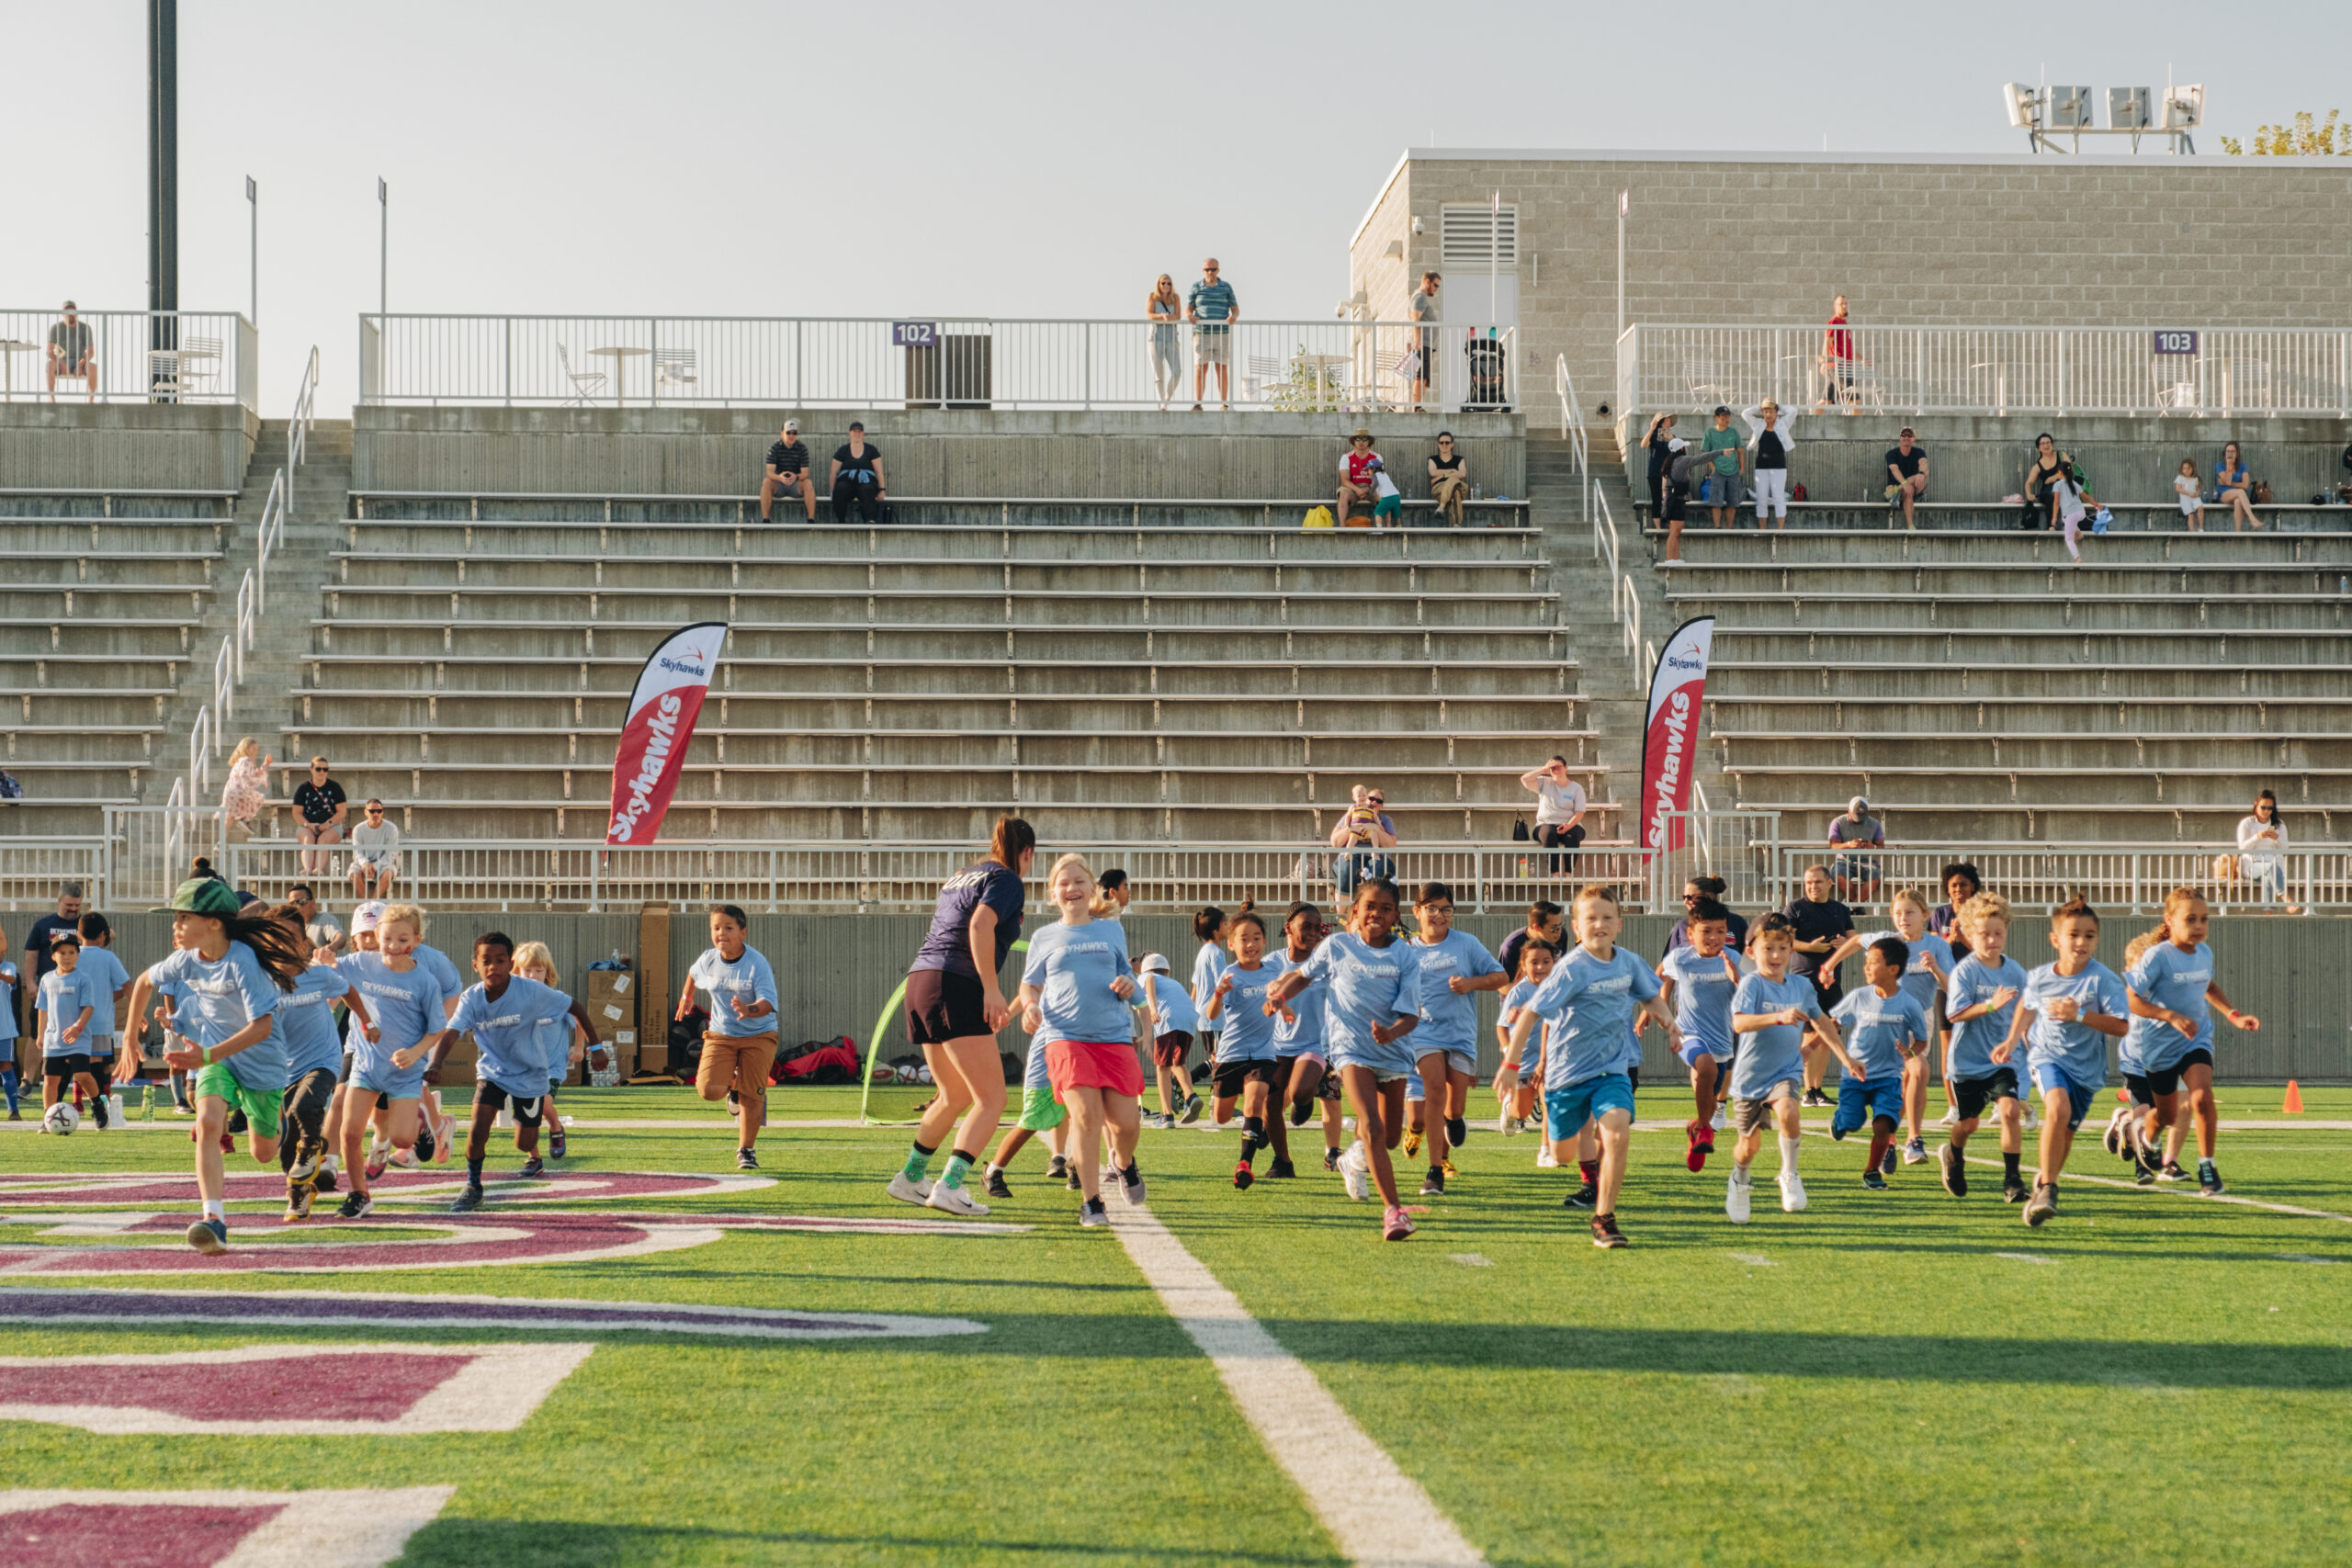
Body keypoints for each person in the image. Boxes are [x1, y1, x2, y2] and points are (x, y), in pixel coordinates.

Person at [119, 877, 310, 1252]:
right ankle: (214, 1218)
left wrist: (206, 1054)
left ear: (214, 923)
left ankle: (280, 1122)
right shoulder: (186, 958)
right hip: (215, 1060)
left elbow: (263, 1027)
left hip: (261, 1062)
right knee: (207, 1122)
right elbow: (143, 982)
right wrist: (129, 1038)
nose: (176, 925)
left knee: (264, 1152)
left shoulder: (243, 962)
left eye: (184, 917)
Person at [1508, 885, 1675, 1248]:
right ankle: (1561, 1140)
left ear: (1620, 924)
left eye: (1607, 917)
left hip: (1612, 1070)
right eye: (1591, 918)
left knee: (1616, 1131)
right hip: (1566, 1076)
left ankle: (1604, 1217)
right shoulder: (1570, 969)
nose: (1599, 924)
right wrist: (1510, 1063)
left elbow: (1651, 998)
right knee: (1563, 1153)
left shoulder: (1629, 962)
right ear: (1576, 927)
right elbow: (1531, 1013)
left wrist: (1671, 1026)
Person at [1267, 876, 1424, 1241]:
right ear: (1355, 911)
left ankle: (1352, 1160)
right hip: (1350, 1050)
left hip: (1394, 1050)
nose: (1377, 914)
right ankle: (1394, 1213)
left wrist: (1392, 1032)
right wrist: (1279, 998)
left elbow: (1412, 1016)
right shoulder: (1337, 946)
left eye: (1386, 909)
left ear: (1396, 915)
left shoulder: (1404, 955)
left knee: (1386, 1138)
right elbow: (1303, 977)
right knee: (1370, 1124)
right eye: (1370, 907)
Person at [893, 817, 1035, 1211]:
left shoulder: (962, 876)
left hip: (920, 980)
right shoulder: (1007, 879)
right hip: (956, 982)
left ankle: (909, 1177)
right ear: (1028, 853)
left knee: (953, 1093)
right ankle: (950, 1186)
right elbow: (979, 925)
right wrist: (990, 988)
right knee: (991, 1098)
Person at [427, 931, 605, 1213]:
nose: (493, 967)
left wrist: (596, 1048)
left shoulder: (531, 991)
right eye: (486, 961)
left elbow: (575, 1007)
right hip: (493, 1072)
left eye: (500, 961)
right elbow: (451, 1033)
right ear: (475, 965)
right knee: (478, 1128)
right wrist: (435, 1064)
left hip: (531, 1075)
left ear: (510, 965)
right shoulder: (472, 998)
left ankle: (538, 1144)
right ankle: (473, 1187)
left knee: (525, 1142)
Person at [1016, 852, 1146, 1228]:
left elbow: (1126, 975)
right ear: (1052, 893)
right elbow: (1029, 984)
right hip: (1064, 1037)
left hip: (1113, 1037)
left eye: (1078, 881)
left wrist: (1128, 985)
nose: (1071, 888)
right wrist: (1029, 1006)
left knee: (1127, 1123)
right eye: (1063, 882)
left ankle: (1122, 1163)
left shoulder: (1111, 931)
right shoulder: (1044, 937)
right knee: (1085, 1118)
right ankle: (1091, 1202)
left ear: (1092, 888)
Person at [2001, 898, 2129, 1226]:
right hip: (2047, 1056)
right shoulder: (2040, 977)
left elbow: (2122, 1025)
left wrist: (2081, 1015)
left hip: (2087, 1071)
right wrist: (2012, 1040)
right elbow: (2027, 1007)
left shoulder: (2103, 980)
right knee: (2058, 1110)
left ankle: (2044, 1180)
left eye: (2089, 935)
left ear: (2097, 940)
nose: (2081, 942)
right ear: (2055, 939)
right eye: (2073, 934)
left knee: (2065, 1135)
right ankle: (2048, 1187)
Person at [2127, 888, 2261, 1196]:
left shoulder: (2204, 953)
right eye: (2190, 919)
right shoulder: (2157, 957)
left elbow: (2208, 984)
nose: (2199, 925)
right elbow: (2133, 1000)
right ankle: (2145, 1136)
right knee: (2166, 1116)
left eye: (2204, 919)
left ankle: (2207, 1166)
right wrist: (2170, 1016)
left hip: (2195, 1039)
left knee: (2201, 1098)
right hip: (2159, 1047)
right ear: (2169, 920)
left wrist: (2233, 1015)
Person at [1823, 888, 1950, 1168]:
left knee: (1915, 1073)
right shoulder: (1887, 941)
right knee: (1911, 1074)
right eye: (1897, 913)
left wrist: (1935, 969)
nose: (1903, 918)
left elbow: (1951, 987)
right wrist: (1829, 965)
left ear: (1925, 915)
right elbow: (1856, 940)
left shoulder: (1937, 946)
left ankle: (1908, 1139)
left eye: (1910, 912)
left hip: (1919, 1017)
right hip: (1885, 1018)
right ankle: (1901, 1139)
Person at [1724, 912, 1829, 1223]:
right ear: (1751, 951)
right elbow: (1740, 1023)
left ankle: (1789, 1173)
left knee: (1789, 1110)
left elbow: (1820, 1021)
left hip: (1786, 1070)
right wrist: (1778, 1017)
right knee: (1749, 1147)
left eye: (1783, 948)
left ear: (1791, 951)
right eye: (1768, 948)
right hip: (1750, 1077)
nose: (1776, 955)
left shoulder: (1801, 985)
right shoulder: (1752, 984)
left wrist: (1846, 1057)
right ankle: (1740, 1179)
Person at [267, 909, 370, 1220]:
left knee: (305, 1107)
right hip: (282, 1069)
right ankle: (298, 1196)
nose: (282, 946)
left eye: (290, 939)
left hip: (322, 1060)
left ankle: (314, 1145)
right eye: (275, 939)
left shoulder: (319, 975)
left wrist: (366, 1022)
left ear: (303, 945)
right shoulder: (261, 981)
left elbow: (348, 991)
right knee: (286, 1148)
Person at [1406, 882, 1508, 1195]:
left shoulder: (1467, 943)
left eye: (1446, 909)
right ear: (1417, 912)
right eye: (1432, 909)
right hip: (1423, 1033)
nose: (1439, 916)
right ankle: (1435, 1170)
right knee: (1434, 1091)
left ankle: (1454, 1119)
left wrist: (1471, 983)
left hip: (1460, 1035)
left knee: (1455, 1106)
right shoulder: (1405, 948)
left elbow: (1502, 977)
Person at [1938, 893, 2030, 1205]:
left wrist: (2029, 1037)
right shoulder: (1965, 971)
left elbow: (2025, 1010)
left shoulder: (2015, 971)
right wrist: (1990, 1004)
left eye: (1998, 933)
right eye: (1984, 934)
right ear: (1967, 933)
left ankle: (2013, 1180)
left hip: (2002, 1060)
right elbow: (1955, 1014)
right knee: (1968, 1125)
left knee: (2010, 1111)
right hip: (1967, 1062)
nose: (1992, 940)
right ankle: (1954, 1155)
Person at [675, 906, 780, 1175]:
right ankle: (734, 1085)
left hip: (759, 1035)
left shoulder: (757, 963)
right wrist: (687, 998)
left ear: (743, 932)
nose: (721, 933)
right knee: (708, 1090)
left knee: (752, 1094)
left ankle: (746, 1149)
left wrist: (749, 1010)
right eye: (716, 928)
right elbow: (693, 974)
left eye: (729, 928)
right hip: (722, 1034)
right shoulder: (709, 959)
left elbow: (768, 1003)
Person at [1827, 939, 1931, 1190]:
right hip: (1855, 1076)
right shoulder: (1859, 997)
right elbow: (1833, 1023)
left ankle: (1872, 1171)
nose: (1866, 968)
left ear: (1893, 969)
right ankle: (1840, 1121)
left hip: (1888, 1077)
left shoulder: (1909, 1004)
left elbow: (1920, 1040)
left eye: (1872, 963)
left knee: (1883, 1124)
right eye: (1866, 962)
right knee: (1852, 1122)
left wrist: (1910, 1053)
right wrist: (1820, 1038)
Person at [1657, 897, 1743, 1172]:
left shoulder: (1736, 959)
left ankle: (1697, 1128)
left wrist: (1737, 979)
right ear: (1691, 934)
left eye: (1720, 931)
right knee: (1705, 1067)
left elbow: (1751, 998)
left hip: (1721, 1040)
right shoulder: (1680, 958)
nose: (1714, 937)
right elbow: (1659, 980)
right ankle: (1705, 1129)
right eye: (1707, 931)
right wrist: (1660, 1014)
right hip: (1688, 1033)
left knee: (1710, 1085)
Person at [1201, 909, 1285, 1188]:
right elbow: (1212, 1014)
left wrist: (1285, 1009)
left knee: (1255, 1101)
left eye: (1257, 938)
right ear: (1232, 944)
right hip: (1231, 1055)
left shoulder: (1274, 972)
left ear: (1264, 942)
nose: (1251, 944)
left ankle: (1244, 1165)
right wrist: (1218, 993)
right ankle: (1255, 1128)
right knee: (1222, 1117)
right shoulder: (1229, 974)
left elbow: (1280, 997)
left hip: (1262, 1053)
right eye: (1244, 939)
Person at [1268, 902, 1343, 1174]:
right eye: (1306, 927)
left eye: (1317, 927)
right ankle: (1282, 1162)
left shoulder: (1326, 963)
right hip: (1277, 1044)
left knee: (1307, 1092)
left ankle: (1307, 1104)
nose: (1313, 933)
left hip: (1316, 1045)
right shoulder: (1274, 961)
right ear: (1289, 928)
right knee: (1270, 1105)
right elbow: (1262, 985)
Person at [1781, 865, 1855, 1105]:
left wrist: (1845, 942)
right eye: (1808, 882)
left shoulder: (1840, 910)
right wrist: (1810, 947)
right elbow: (1787, 939)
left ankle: (1817, 1088)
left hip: (1831, 982)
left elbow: (1854, 939)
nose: (1813, 886)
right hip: (1804, 981)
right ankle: (1807, 1091)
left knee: (1828, 1034)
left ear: (1830, 883)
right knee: (1808, 1034)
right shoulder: (1795, 908)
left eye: (1818, 882)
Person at [36, 931, 105, 1128]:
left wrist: (77, 1027)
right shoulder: (47, 979)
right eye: (62, 953)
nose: (66, 957)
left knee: (82, 1075)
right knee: (50, 1080)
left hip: (78, 1038)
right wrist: (41, 1035)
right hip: (53, 1039)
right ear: (53, 956)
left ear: (77, 955)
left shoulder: (83, 979)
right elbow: (43, 1008)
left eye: (71, 952)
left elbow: (88, 1007)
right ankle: (48, 1119)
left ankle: (97, 1104)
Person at [1492, 936, 1555, 1137]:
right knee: (1522, 1111)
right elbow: (1502, 1027)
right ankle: (1510, 1109)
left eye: (1546, 961)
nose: (1540, 967)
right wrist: (1508, 1052)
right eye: (1534, 962)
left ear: (1554, 962)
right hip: (1525, 1061)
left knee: (1552, 1105)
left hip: (1552, 1059)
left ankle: (1550, 1150)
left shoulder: (1560, 987)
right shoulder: (1519, 992)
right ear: (1524, 965)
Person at [70, 913, 130, 1121]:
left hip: (77, 1021)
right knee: (100, 1063)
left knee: (80, 1062)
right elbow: (125, 985)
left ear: (78, 934)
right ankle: (102, 1104)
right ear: (104, 934)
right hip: (102, 1021)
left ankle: (79, 1102)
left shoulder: (73, 956)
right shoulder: (108, 957)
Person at [1135, 953, 1202, 1132]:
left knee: (1162, 1067)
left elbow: (1149, 981)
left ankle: (1167, 1115)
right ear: (1167, 971)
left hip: (1167, 1019)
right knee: (1177, 1063)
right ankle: (1190, 1096)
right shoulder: (1174, 982)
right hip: (1189, 1019)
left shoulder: (1146, 976)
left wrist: (1154, 1008)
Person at [2235, 789, 2301, 913]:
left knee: (2269, 874)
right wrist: (2257, 837)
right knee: (2270, 868)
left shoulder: (2279, 824)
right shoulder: (2247, 823)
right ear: (2256, 804)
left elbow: (2285, 848)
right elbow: (2242, 847)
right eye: (2263, 807)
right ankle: (2286, 899)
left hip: (2273, 864)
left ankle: (2268, 913)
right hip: (2252, 865)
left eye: (2270, 808)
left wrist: (2277, 838)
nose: (2266, 811)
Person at [1519, 756, 1588, 874]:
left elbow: (1580, 812)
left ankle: (1569, 873)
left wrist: (1568, 826)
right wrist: (1544, 769)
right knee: (1549, 833)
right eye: (1552, 767)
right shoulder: (1544, 782)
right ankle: (1555, 874)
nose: (1555, 769)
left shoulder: (1576, 788)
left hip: (1570, 825)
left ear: (1566, 768)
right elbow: (1525, 779)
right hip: (1545, 824)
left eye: (1558, 766)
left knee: (1574, 834)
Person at [1185, 258, 1238, 410]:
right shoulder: (1196, 287)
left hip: (1222, 333)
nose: (1210, 272)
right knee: (1201, 367)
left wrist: (1233, 316)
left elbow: (1235, 308)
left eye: (1213, 269)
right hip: (1201, 333)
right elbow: (1189, 308)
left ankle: (1224, 403)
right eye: (1207, 269)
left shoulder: (1226, 287)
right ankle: (1199, 402)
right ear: (1203, 271)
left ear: (1218, 270)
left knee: (1222, 368)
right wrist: (1190, 316)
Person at [1329, 784, 1397, 897]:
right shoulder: (1352, 814)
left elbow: (1391, 845)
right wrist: (1351, 828)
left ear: (1381, 806)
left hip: (1376, 855)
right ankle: (1341, 914)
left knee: (1377, 870)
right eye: (1371, 799)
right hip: (1352, 853)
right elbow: (1335, 842)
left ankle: (1371, 907)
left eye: (1379, 801)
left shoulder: (1385, 820)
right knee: (1347, 869)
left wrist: (1376, 828)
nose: (1374, 802)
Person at [1740, 400, 1797, 530]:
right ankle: (1762, 529)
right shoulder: (1758, 424)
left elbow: (1793, 411)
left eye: (1771, 411)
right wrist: (1760, 405)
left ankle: (1781, 529)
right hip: (1761, 467)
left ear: (1776, 413)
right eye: (1765, 412)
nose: (1768, 414)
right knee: (1761, 499)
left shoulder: (1783, 424)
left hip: (1779, 467)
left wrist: (1777, 405)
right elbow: (1745, 413)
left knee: (1779, 498)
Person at [293, 758, 348, 878]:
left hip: (332, 826)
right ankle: (307, 870)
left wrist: (328, 823)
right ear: (312, 770)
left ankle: (318, 870)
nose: (322, 772)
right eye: (318, 769)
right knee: (308, 839)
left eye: (325, 769)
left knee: (323, 840)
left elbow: (342, 812)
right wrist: (309, 825)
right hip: (307, 825)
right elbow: (296, 813)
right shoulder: (303, 788)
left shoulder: (335, 787)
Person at [1668, 875, 1749, 953]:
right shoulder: (1682, 926)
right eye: (1684, 897)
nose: (1685, 902)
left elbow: (1748, 957)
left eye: (1689, 897)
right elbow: (1669, 962)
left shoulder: (1737, 922)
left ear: (1708, 896)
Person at [1826, 795, 1884, 905]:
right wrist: (1849, 844)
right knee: (1838, 873)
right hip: (1844, 861)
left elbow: (1881, 846)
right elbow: (1833, 845)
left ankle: (1853, 906)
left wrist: (1873, 847)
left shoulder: (1874, 823)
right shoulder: (1838, 822)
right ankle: (1857, 906)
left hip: (1868, 862)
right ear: (1848, 810)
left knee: (1877, 875)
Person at [829, 423, 887, 525]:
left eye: (859, 431)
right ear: (849, 433)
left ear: (863, 433)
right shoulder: (842, 451)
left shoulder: (871, 450)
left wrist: (882, 490)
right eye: (854, 431)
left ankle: (870, 519)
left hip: (866, 482)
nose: (857, 433)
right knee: (840, 489)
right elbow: (833, 472)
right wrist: (832, 491)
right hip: (847, 482)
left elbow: (879, 471)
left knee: (867, 488)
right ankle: (841, 520)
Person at [760, 420, 815, 524]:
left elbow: (805, 474)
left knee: (808, 483)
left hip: (795, 485)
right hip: (779, 484)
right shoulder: (774, 448)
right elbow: (769, 473)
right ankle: (765, 519)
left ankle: (811, 520)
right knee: (766, 482)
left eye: (794, 433)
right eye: (788, 432)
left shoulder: (802, 448)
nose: (791, 435)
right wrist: (780, 477)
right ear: (782, 433)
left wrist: (796, 477)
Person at [1700, 405, 1746, 530]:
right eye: (1723, 416)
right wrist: (1712, 467)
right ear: (1716, 417)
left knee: (1733, 501)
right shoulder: (1709, 432)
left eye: (1728, 416)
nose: (1726, 419)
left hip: (1733, 470)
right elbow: (1705, 452)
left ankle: (1729, 527)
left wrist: (1742, 467)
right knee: (1716, 501)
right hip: (1718, 471)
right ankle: (1717, 526)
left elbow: (1740, 451)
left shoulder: (1734, 432)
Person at [1498, 899, 1566, 979]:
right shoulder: (1511, 947)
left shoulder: (1561, 936)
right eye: (1554, 928)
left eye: (1560, 926)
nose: (1559, 931)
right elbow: (1503, 987)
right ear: (1536, 927)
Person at [348, 799, 401, 899]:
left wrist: (374, 866)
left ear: (382, 812)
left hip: (383, 863)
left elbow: (391, 854)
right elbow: (357, 852)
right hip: (363, 863)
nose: (375, 814)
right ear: (365, 812)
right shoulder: (358, 829)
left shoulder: (391, 828)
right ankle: (366, 904)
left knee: (389, 873)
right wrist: (365, 864)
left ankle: (373, 902)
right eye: (372, 811)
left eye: (379, 811)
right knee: (353, 874)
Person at [1147, 275, 1184, 410]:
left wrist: (1169, 317)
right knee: (1159, 374)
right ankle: (1162, 402)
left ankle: (1167, 398)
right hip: (1155, 337)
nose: (1166, 286)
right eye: (1163, 283)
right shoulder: (1153, 297)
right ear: (1159, 284)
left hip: (1171, 338)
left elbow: (1178, 315)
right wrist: (1162, 316)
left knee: (1177, 372)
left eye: (1169, 283)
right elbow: (1150, 314)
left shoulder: (1175, 298)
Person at [47, 301, 96, 401]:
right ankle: (51, 398)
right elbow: (50, 351)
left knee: (93, 367)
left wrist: (81, 364)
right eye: (66, 311)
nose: (69, 314)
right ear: (62, 314)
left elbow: (91, 352)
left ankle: (91, 401)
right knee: (49, 365)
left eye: (72, 311)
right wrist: (61, 362)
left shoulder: (85, 328)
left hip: (79, 361)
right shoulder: (56, 328)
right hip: (61, 361)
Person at [220, 738, 272, 834]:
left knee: (229, 820)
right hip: (238, 790)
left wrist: (265, 764)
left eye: (257, 749)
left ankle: (220, 843)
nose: (256, 751)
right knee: (257, 798)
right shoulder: (247, 761)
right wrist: (258, 781)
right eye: (253, 748)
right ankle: (244, 820)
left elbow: (254, 774)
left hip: (229, 792)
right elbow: (246, 776)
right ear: (246, 749)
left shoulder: (239, 761)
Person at [1816, 294, 1857, 413]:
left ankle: (1813, 418)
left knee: (1826, 400)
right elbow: (1827, 343)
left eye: (1846, 303)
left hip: (1842, 367)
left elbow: (1848, 349)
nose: (1844, 306)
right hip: (1838, 367)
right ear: (1835, 307)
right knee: (1854, 400)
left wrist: (1862, 359)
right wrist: (1824, 361)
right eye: (1841, 304)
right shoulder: (1834, 322)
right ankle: (1856, 429)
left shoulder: (1844, 324)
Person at [1408, 270, 1441, 412]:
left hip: (1428, 345)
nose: (1436, 289)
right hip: (1423, 343)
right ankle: (1416, 407)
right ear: (1427, 281)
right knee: (1421, 376)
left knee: (1425, 379)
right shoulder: (1420, 297)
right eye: (1435, 285)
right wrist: (1418, 340)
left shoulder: (1422, 297)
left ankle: (1418, 405)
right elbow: (1416, 318)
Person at [1885, 427, 1928, 529]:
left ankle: (1897, 489)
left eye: (1910, 435)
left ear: (1914, 438)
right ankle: (1910, 525)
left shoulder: (1919, 452)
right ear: (1900, 438)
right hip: (1900, 491)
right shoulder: (1891, 453)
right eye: (1904, 435)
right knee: (1908, 490)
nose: (1906, 437)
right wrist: (1904, 484)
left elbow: (1923, 463)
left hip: (1914, 487)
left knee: (1925, 473)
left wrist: (1921, 473)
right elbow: (1894, 469)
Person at [1640, 412, 1678, 525]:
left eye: (1669, 421)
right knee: (1656, 499)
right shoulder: (1653, 435)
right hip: (1655, 472)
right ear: (1660, 422)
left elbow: (1681, 452)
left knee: (1671, 497)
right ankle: (1658, 527)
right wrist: (1652, 428)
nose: (1669, 423)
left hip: (1670, 472)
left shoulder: (1672, 437)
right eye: (1666, 421)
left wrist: (1672, 440)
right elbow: (1643, 444)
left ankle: (1669, 522)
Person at [1339, 428, 1382, 525]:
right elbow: (1344, 481)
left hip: (1371, 486)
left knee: (1385, 494)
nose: (1361, 442)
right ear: (1354, 441)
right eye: (1358, 439)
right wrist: (1357, 490)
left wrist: (1368, 489)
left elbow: (1379, 478)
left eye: (1364, 439)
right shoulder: (1346, 457)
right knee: (1343, 493)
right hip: (1353, 487)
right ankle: (1341, 526)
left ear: (1369, 441)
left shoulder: (1376, 457)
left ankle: (1387, 526)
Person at [2215, 441, 2259, 531]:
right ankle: (2252, 518)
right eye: (2228, 451)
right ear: (2224, 453)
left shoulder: (2243, 467)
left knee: (2238, 501)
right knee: (2240, 491)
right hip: (2225, 494)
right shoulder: (2220, 465)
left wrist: (2231, 484)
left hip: (2240, 496)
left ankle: (2237, 531)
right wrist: (2229, 465)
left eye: (2233, 451)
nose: (2230, 454)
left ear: (2237, 454)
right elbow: (2227, 482)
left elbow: (2245, 485)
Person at [1427, 431, 1468, 525]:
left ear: (1452, 445)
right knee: (1455, 493)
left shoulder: (1459, 459)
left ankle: (1441, 506)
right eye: (1441, 442)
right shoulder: (1433, 459)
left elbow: (1463, 474)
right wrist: (1451, 472)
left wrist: (1440, 476)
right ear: (1438, 444)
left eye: (1447, 442)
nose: (1444, 445)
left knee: (1454, 483)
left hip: (1458, 486)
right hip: (1439, 489)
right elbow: (1432, 472)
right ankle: (1457, 524)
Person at [2174, 458, 2207, 532]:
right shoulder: (2180, 477)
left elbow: (2197, 488)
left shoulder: (2195, 478)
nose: (2186, 470)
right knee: (2191, 515)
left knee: (2200, 507)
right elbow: (2178, 489)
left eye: (2188, 468)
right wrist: (2188, 493)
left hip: (2194, 497)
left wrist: (2197, 493)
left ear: (2193, 468)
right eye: (2184, 468)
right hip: (2185, 498)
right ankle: (2192, 531)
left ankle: (2201, 528)